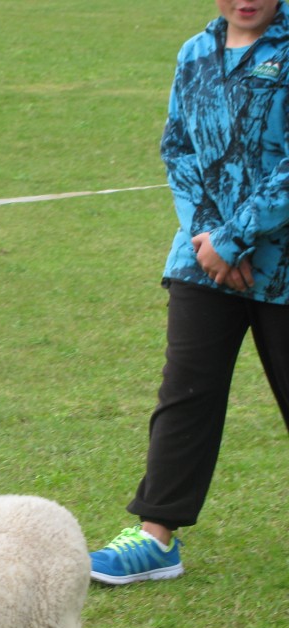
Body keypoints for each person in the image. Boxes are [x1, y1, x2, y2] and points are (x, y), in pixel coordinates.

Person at [90, 0, 289, 585]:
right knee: (186, 393)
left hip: (279, 262)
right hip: (202, 259)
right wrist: (209, 236)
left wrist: (235, 237)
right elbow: (178, 148)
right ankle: (156, 538)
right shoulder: (195, 52)